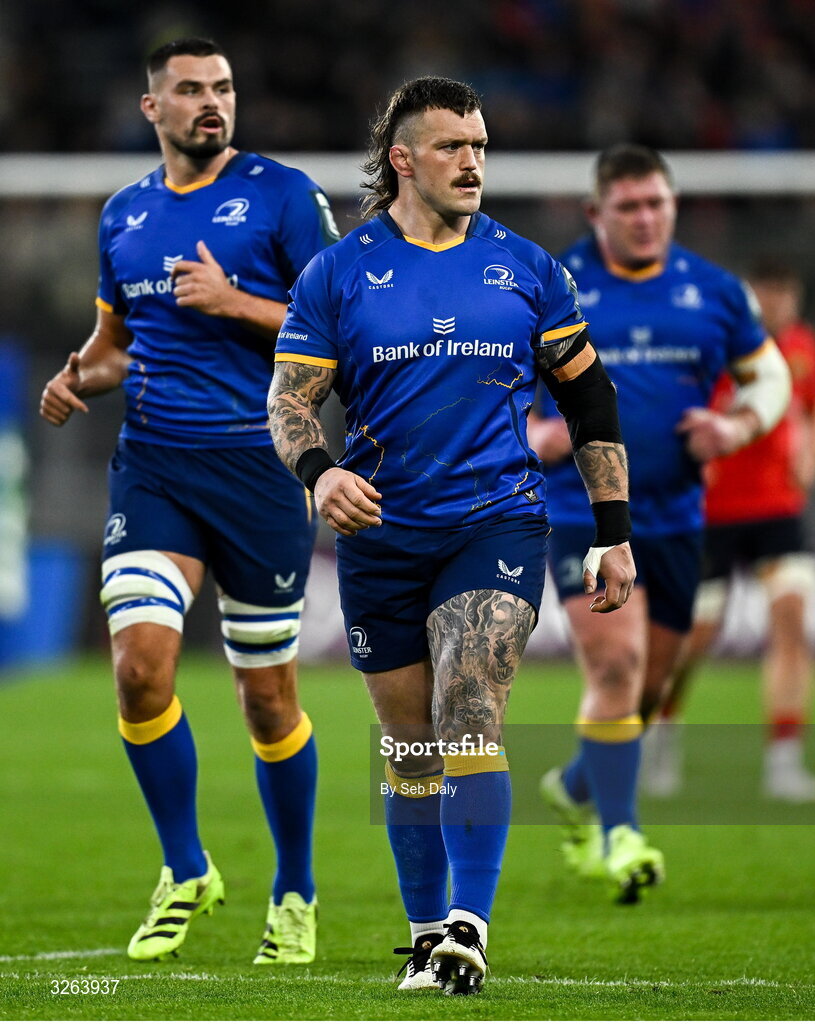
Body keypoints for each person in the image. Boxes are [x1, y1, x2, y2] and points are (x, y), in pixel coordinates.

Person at [267, 76, 635, 995]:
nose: (473, 161)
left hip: (496, 521)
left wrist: (613, 530)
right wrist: (323, 473)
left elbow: (589, 399)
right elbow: (289, 403)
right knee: (407, 744)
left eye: (479, 144)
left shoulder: (529, 269)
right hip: (383, 532)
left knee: (468, 706)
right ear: (402, 160)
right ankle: (428, 934)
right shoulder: (339, 273)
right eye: (452, 147)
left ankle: (470, 925)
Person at [39, 38, 340, 964]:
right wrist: (80, 377)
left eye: (223, 88)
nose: (212, 103)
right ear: (151, 108)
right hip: (155, 467)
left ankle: (294, 889)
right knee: (137, 669)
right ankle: (185, 867)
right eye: (191, 91)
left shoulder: (285, 196)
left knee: (268, 702)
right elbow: (120, 341)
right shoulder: (123, 215)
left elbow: (342, 324)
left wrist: (235, 301)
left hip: (259, 468)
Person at [529, 145, 792, 899]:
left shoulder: (713, 291)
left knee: (645, 693)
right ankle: (622, 834)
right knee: (614, 667)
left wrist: (737, 427)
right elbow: (491, 381)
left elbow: (766, 374)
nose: (646, 220)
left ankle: (578, 786)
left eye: (658, 205)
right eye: (630, 207)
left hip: (677, 518)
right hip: (581, 512)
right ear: (596, 214)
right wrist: (532, 434)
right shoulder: (555, 288)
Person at [645, 259, 815, 802]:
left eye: (787, 295)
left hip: (779, 509)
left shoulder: (802, 346)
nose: (779, 307)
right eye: (769, 295)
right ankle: (662, 728)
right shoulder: (713, 349)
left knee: (792, 617)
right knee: (692, 638)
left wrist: (813, 457)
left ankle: (784, 758)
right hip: (712, 514)